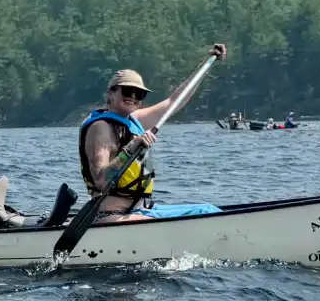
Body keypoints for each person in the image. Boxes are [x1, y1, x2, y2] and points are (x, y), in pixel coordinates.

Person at [79, 45, 227, 223]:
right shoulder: (101, 127)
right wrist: (131, 148)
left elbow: (174, 102)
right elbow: (100, 180)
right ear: (110, 93)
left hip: (141, 210)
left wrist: (206, 64)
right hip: (112, 216)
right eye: (127, 91)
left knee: (209, 210)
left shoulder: (132, 121)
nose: (133, 97)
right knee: (210, 216)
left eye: (139, 93)